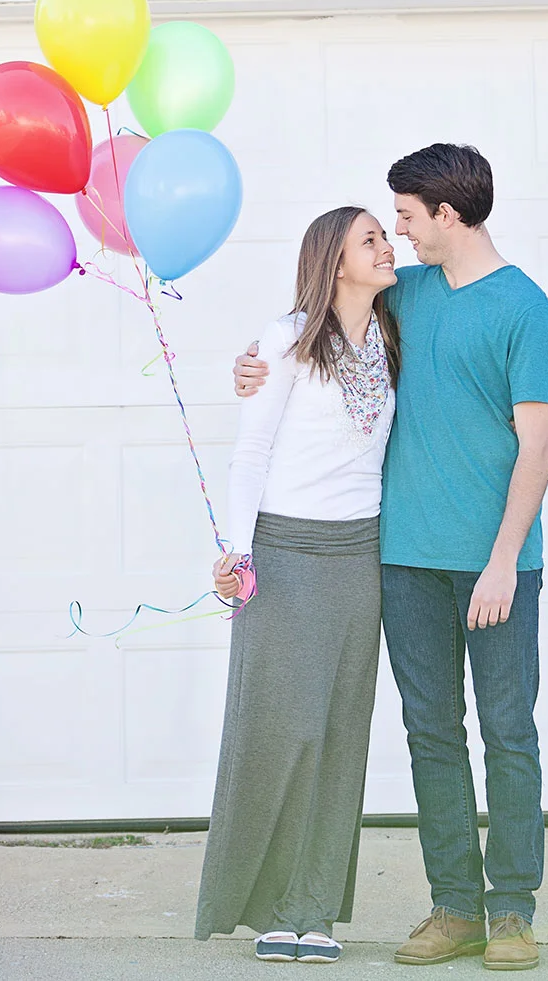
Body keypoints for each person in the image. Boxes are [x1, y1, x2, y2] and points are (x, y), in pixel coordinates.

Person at [235, 144, 548, 973]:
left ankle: (512, 908)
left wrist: (502, 559)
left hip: (496, 567)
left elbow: (537, 447)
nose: (399, 236)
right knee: (430, 734)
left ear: (446, 215)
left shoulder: (526, 309)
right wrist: (252, 363)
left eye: (407, 219)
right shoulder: (400, 296)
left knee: (507, 733)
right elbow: (313, 321)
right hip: (403, 562)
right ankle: (453, 906)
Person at [195, 205, 401, 964]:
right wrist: (236, 552)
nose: (387, 246)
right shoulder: (282, 339)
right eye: (370, 238)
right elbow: (250, 455)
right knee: (283, 729)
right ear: (333, 259)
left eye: (387, 232)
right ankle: (264, 903)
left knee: (339, 734)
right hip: (281, 552)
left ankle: (313, 907)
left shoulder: (393, 331)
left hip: (359, 556)